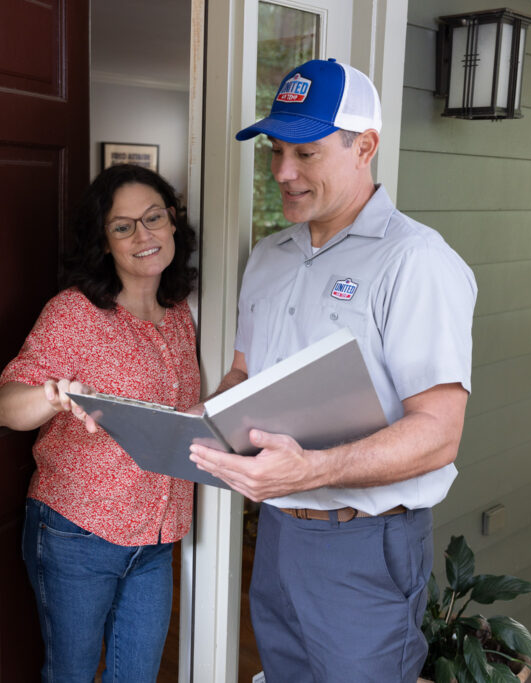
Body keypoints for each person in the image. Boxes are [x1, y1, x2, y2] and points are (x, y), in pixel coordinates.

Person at [188, 58, 477, 682]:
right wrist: (206, 421)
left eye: (307, 153)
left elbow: (439, 433)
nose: (283, 173)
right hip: (279, 533)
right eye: (277, 150)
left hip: (365, 544)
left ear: (364, 147)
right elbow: (244, 373)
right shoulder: (269, 255)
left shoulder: (416, 262)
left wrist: (314, 468)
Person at [0, 163, 200, 682]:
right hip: (78, 533)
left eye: (153, 218)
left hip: (155, 537)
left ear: (173, 221)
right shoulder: (75, 314)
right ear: (105, 242)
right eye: (123, 226)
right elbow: (4, 407)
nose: (143, 235)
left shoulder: (180, 314)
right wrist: (53, 396)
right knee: (72, 675)